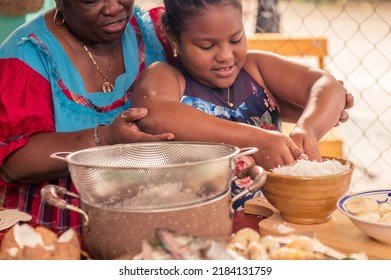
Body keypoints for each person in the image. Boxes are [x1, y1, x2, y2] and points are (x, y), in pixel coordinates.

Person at [131, 0, 353, 209]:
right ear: (174, 39)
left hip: (275, 221)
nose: (226, 56)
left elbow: (327, 85)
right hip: (201, 225)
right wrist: (257, 139)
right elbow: (153, 114)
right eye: (207, 46)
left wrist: (309, 128)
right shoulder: (168, 78)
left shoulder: (255, 69)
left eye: (236, 39)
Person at [0, 1, 175, 232]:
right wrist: (105, 139)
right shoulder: (28, 53)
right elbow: (14, 163)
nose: (113, 8)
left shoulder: (152, 34)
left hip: (142, 222)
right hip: (53, 228)